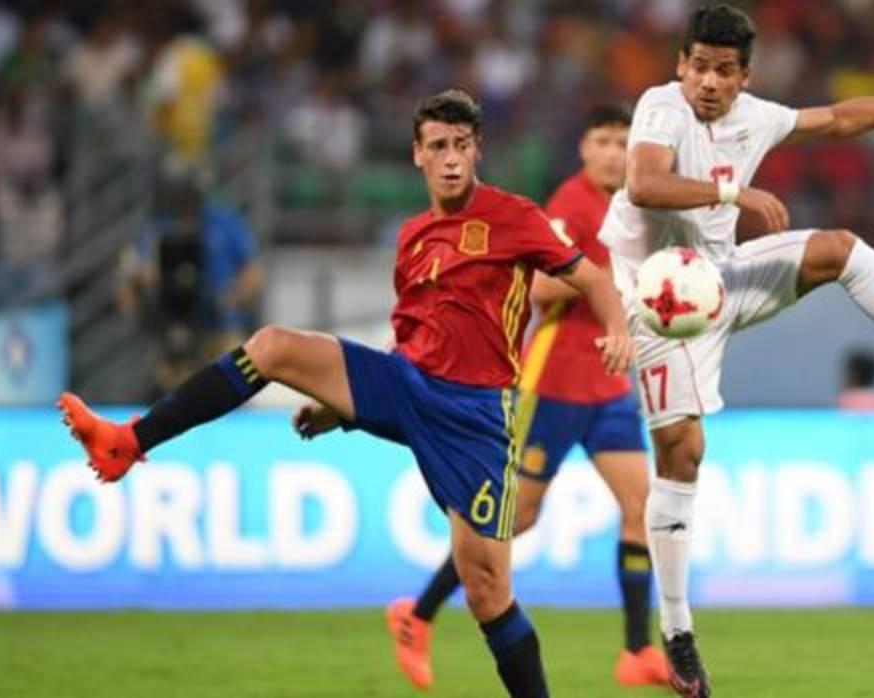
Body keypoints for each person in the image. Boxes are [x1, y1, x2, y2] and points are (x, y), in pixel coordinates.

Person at [58, 89, 635, 698]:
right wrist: (344, 409)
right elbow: (408, 344)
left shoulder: (513, 215)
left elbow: (592, 278)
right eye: (438, 146)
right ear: (417, 154)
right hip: (409, 384)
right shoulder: (413, 238)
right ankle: (128, 441)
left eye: (461, 146)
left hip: (475, 415)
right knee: (275, 346)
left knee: (488, 591)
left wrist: (617, 329)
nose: (450, 159)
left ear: (477, 150)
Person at [597, 5, 874, 696]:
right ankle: (676, 631)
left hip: (719, 277)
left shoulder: (756, 115)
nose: (708, 81)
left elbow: (837, 119)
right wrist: (734, 191)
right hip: (657, 299)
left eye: (724, 70)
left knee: (840, 250)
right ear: (681, 65)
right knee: (684, 454)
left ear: (744, 76)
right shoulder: (660, 107)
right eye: (698, 65)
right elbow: (643, 183)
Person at [387, 104, 670, 691]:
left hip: (609, 383)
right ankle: (417, 615)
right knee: (514, 517)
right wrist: (594, 283)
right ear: (584, 150)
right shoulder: (568, 205)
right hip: (555, 382)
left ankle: (638, 647)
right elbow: (538, 283)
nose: (615, 152)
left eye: (624, 141)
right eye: (604, 141)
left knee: (642, 505)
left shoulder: (630, 208)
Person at [118, 171, 263, 394]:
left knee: (237, 382)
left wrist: (230, 297)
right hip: (174, 323)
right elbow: (136, 270)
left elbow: (252, 272)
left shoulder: (224, 221)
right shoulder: (158, 228)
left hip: (221, 324)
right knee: (174, 394)